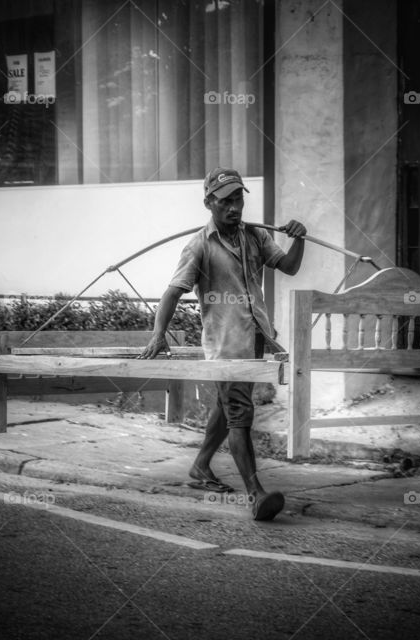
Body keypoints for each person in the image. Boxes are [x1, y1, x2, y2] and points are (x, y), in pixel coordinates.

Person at [139, 167, 306, 521]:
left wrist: (299, 238)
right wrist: (158, 335)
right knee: (239, 416)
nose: (234, 207)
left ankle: (200, 465)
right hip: (226, 347)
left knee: (227, 406)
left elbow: (289, 267)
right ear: (208, 203)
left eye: (238, 199)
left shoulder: (256, 236)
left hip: (256, 339)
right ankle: (256, 495)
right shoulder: (200, 245)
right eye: (225, 201)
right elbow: (172, 292)